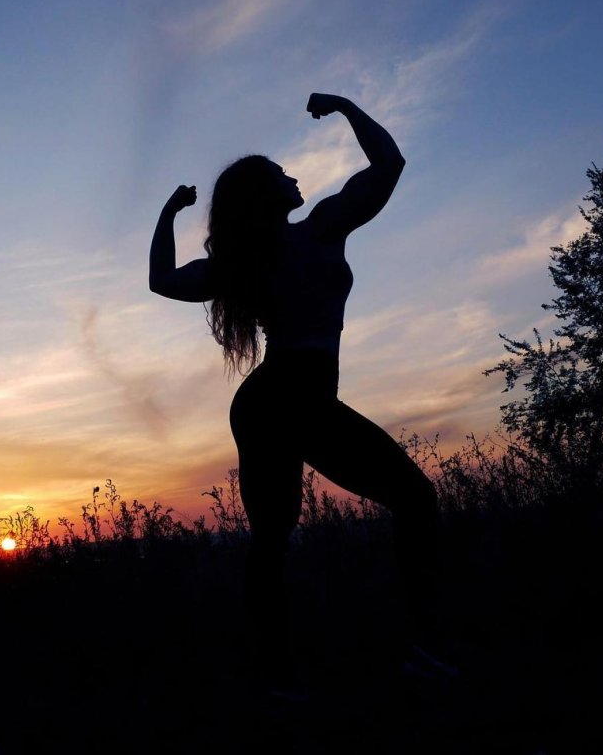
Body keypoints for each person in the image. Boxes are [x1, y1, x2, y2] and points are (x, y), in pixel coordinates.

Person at [149, 93, 448, 692]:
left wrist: (169, 213)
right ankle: (424, 647)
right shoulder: (312, 234)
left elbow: (162, 281)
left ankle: (274, 673)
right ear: (266, 197)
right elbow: (388, 165)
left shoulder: (259, 256)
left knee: (274, 537)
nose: (294, 176)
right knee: (413, 499)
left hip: (273, 400)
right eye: (281, 174)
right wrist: (343, 108)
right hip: (294, 396)